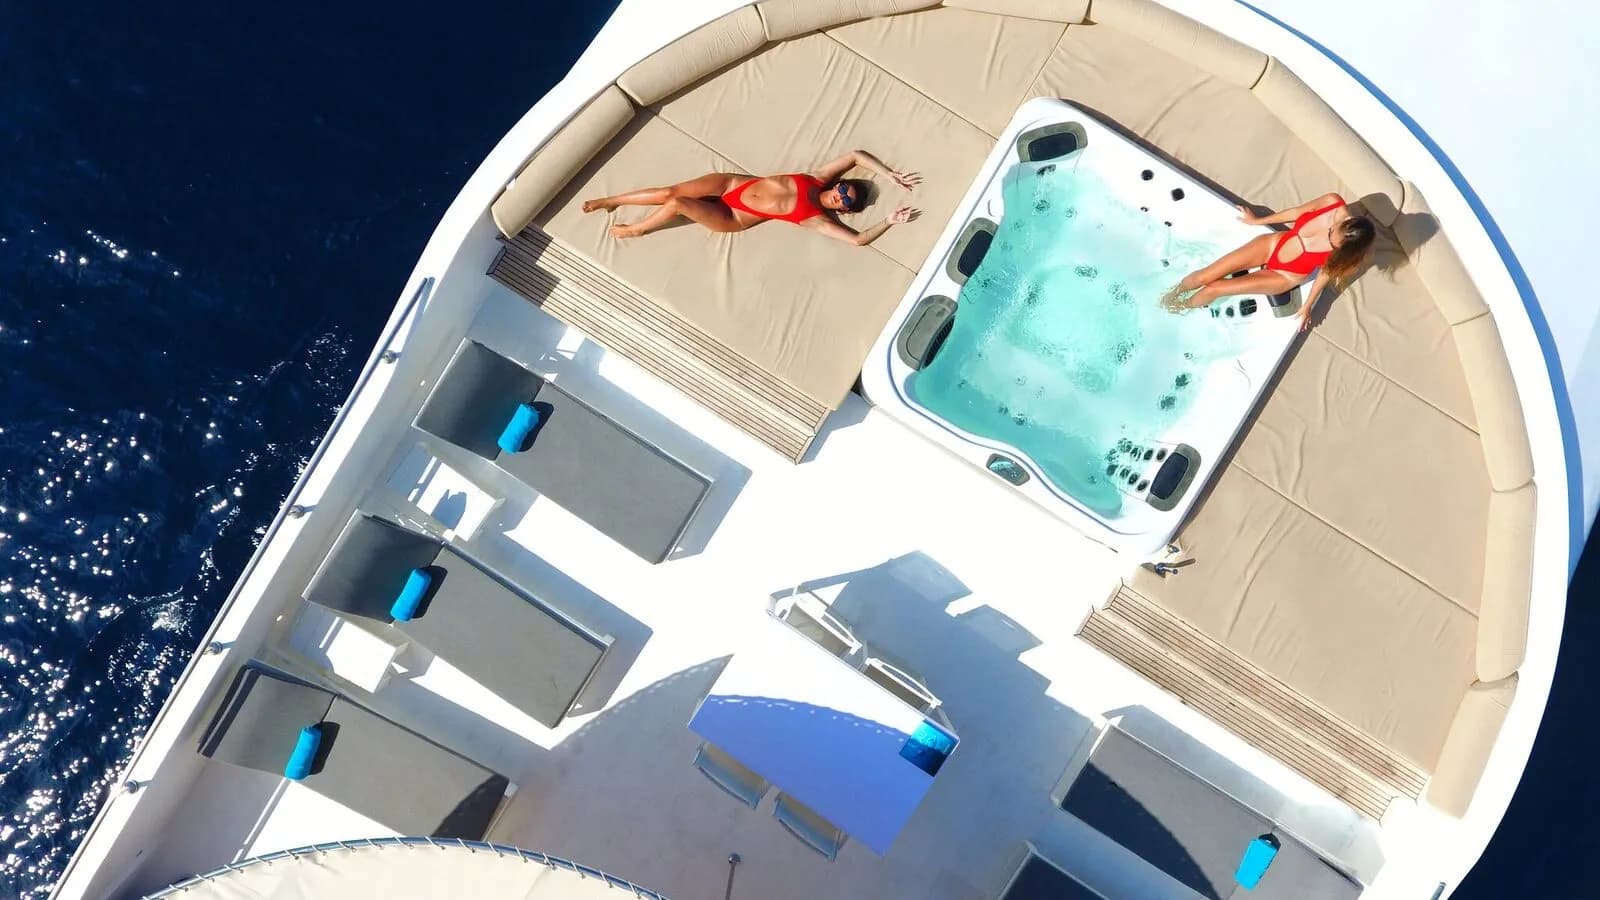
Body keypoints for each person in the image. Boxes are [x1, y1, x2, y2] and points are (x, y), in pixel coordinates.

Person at [581, 149, 921, 246]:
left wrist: (888, 221)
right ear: (838, 184)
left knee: (677, 204)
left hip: (734, 217)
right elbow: (856, 155)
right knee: (670, 191)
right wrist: (888, 173)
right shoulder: (818, 178)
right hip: (732, 186)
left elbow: (859, 239)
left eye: (847, 203)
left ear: (845, 211)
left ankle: (638, 230)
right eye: (844, 190)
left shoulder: (814, 219)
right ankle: (612, 200)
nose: (841, 198)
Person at [1161, 192, 1376, 331]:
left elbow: (1324, 274)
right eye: (1332, 232)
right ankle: (1173, 294)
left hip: (1285, 275)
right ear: (1346, 221)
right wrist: (1257, 221)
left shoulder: (1347, 254)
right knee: (1204, 276)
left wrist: (1308, 305)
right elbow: (1296, 212)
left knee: (1215, 288)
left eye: (1334, 243)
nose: (1329, 239)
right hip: (1272, 246)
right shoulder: (1332, 203)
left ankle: (1179, 308)